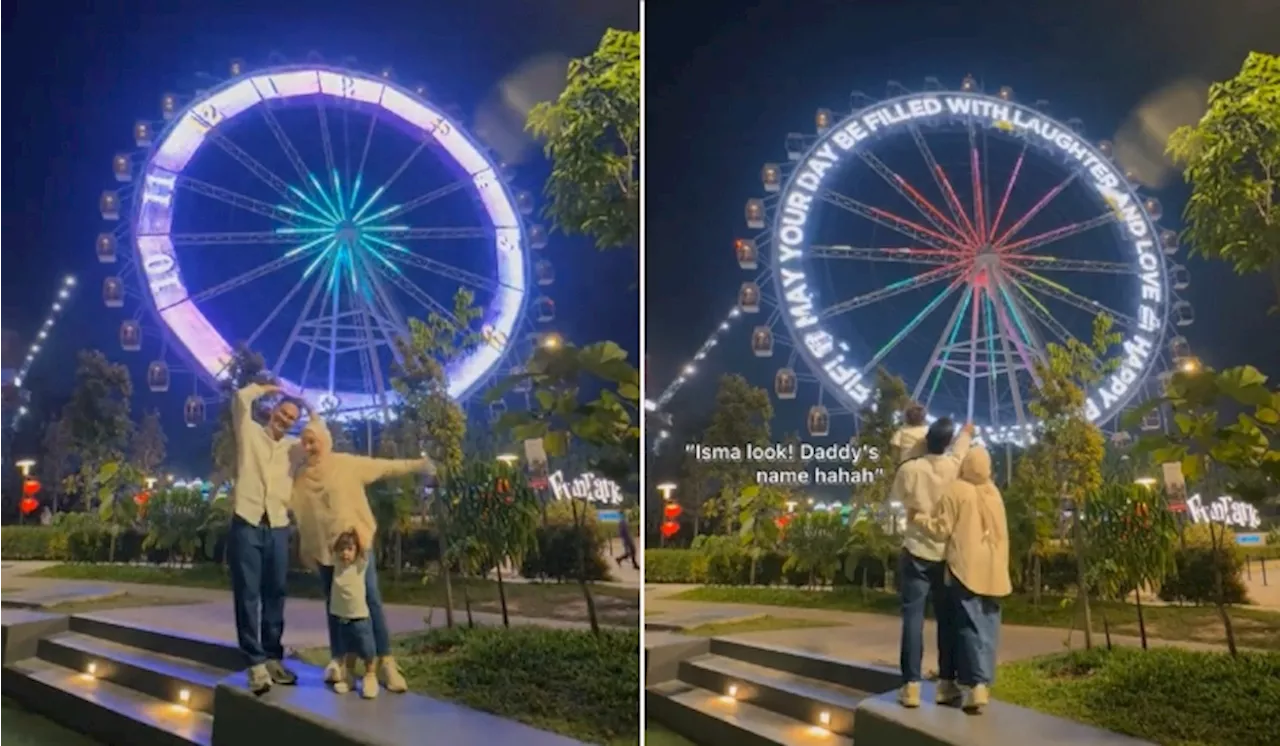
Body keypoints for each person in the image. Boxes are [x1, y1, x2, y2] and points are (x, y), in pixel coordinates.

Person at [292, 416, 434, 696]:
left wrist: (417, 465)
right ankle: (340, 661)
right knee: (335, 607)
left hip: (356, 550)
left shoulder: (346, 464)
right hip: (325, 553)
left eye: (314, 441)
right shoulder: (301, 479)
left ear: (325, 441)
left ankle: (385, 661)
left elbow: (383, 467)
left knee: (370, 600)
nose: (309, 446)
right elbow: (300, 515)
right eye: (305, 442)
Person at [913, 445, 1011, 714]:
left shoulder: (957, 490)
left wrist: (918, 519)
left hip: (964, 570)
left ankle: (973, 685)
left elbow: (941, 529)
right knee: (988, 628)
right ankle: (979, 682)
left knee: (966, 626)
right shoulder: (994, 493)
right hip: (995, 572)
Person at [888, 417, 973, 708]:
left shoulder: (910, 470)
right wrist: (966, 432)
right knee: (946, 619)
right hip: (946, 554)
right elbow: (961, 451)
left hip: (915, 550)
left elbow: (897, 497)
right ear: (947, 443)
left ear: (927, 439)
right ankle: (947, 684)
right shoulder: (954, 467)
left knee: (912, 619)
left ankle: (910, 685)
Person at [228, 381, 305, 694]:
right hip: (246, 522)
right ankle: (255, 662)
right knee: (247, 593)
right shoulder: (249, 433)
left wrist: (310, 410)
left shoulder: (294, 448)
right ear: (273, 411)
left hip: (277, 525)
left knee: (276, 591)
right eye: (283, 413)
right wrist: (263, 387)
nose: (285, 420)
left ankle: (273, 655)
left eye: (292, 418)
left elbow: (322, 438)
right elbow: (238, 399)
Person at [327, 529, 379, 698]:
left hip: (360, 618)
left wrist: (354, 527)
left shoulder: (360, 565)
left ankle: (370, 676)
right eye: (342, 549)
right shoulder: (336, 565)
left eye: (349, 549)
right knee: (349, 650)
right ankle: (349, 677)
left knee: (367, 649)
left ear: (356, 550)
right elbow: (330, 544)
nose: (345, 553)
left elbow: (364, 542)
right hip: (342, 618)